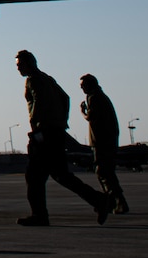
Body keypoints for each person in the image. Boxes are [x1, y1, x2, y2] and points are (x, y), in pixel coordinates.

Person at [15, 49, 111, 226]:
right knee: (61, 175)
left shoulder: (34, 80)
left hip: (44, 134)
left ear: (30, 63)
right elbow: (65, 98)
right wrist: (61, 121)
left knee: (34, 177)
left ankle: (40, 216)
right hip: (55, 132)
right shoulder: (47, 78)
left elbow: (38, 104)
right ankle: (98, 200)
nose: (18, 69)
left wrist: (37, 127)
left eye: (20, 65)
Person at [80, 73, 131, 215]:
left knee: (104, 172)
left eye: (83, 86)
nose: (82, 89)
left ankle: (117, 201)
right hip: (106, 141)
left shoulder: (94, 98)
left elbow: (91, 117)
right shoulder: (100, 97)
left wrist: (82, 112)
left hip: (102, 142)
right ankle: (113, 201)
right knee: (105, 172)